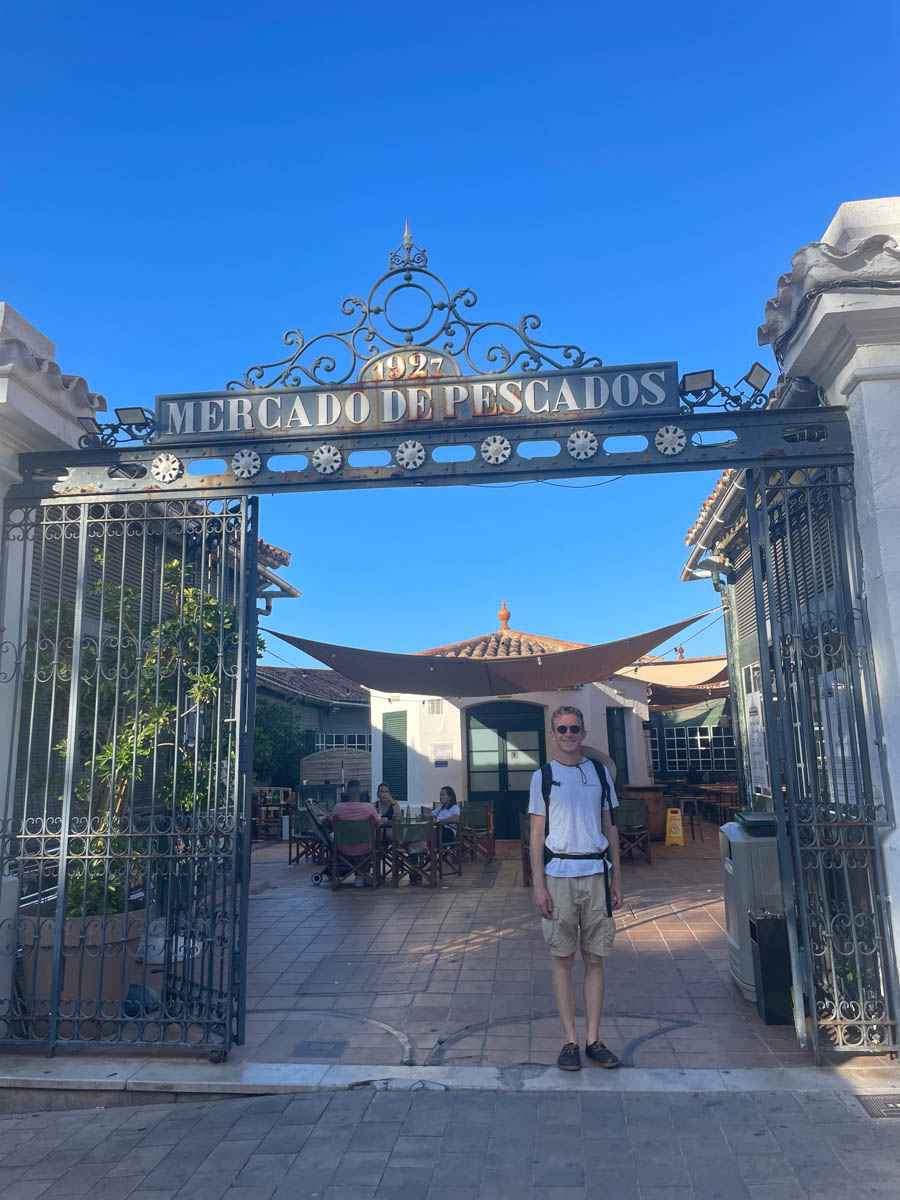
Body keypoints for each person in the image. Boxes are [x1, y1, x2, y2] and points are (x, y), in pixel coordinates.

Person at [528, 705, 623, 1071]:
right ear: (553, 735)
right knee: (563, 958)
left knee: (596, 958)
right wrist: (538, 885)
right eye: (562, 729)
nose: (568, 734)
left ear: (584, 733)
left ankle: (593, 1039)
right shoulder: (543, 777)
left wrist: (617, 878)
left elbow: (610, 827)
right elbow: (537, 834)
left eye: (574, 729)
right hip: (559, 875)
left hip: (596, 872)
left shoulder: (599, 773)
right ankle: (569, 1039)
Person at [332, 780, 380, 887]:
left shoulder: (337, 808)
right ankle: (363, 875)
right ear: (360, 793)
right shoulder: (369, 808)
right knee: (378, 841)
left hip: (343, 848)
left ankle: (357, 875)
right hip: (366, 848)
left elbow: (333, 826)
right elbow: (377, 825)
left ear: (346, 793)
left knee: (331, 837)